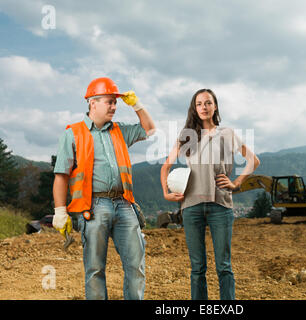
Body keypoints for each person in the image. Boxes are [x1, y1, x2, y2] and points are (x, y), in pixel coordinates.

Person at [52, 77, 155, 300]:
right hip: (93, 207)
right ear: (92, 103)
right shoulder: (73, 134)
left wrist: (137, 105)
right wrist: (60, 211)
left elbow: (149, 128)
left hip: (124, 204)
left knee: (136, 266)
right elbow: (61, 176)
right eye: (109, 102)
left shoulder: (120, 131)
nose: (114, 107)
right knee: (95, 269)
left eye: (115, 102)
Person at [160, 88, 260, 300]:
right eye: (199, 104)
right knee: (197, 269)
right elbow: (165, 167)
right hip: (191, 207)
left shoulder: (227, 134)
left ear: (215, 106)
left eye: (208, 103)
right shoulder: (187, 136)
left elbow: (254, 160)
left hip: (220, 206)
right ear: (194, 109)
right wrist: (166, 193)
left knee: (224, 266)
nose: (203, 107)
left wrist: (236, 183)